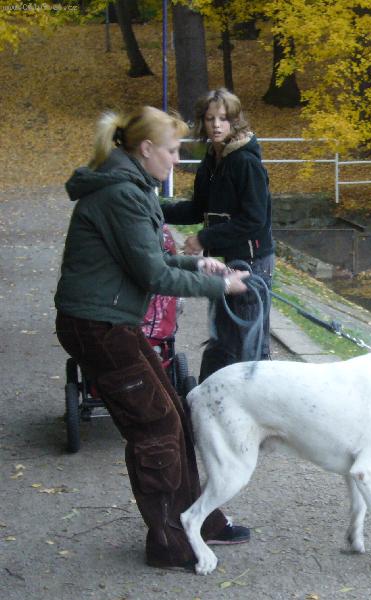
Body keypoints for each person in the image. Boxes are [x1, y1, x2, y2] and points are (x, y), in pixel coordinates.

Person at [55, 106, 252, 571]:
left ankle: (197, 520)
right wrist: (219, 286)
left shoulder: (130, 188)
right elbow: (149, 273)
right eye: (172, 149)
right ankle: (169, 542)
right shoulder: (121, 194)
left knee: (173, 413)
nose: (178, 159)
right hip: (97, 326)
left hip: (111, 322)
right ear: (145, 149)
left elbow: (147, 259)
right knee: (155, 430)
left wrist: (200, 265)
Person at [161, 88, 274, 381]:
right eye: (210, 119)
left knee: (249, 343)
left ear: (235, 121)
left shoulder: (246, 162)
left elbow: (254, 220)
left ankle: (257, 407)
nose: (216, 125)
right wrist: (154, 209)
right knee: (221, 337)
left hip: (252, 262)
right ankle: (208, 399)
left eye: (223, 118)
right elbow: (198, 209)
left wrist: (204, 239)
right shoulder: (212, 160)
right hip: (223, 260)